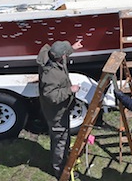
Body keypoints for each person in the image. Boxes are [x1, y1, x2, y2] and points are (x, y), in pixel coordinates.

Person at [37, 40, 83, 179]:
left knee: (63, 137)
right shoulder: (50, 74)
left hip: (61, 109)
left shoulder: (49, 55)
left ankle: (62, 161)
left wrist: (72, 48)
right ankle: (61, 171)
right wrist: (70, 90)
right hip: (56, 112)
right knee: (60, 141)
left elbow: (61, 56)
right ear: (61, 56)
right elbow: (52, 96)